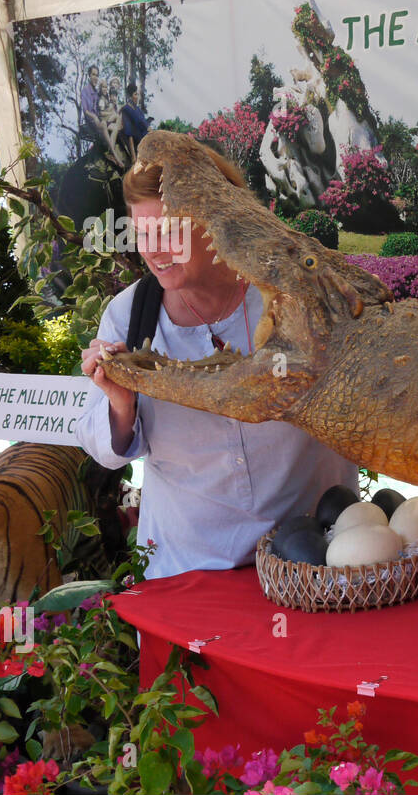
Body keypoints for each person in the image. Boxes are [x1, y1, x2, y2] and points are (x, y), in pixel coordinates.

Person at [75, 139, 358, 581]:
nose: (153, 250)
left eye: (168, 231)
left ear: (215, 220)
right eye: (142, 234)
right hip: (189, 569)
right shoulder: (130, 316)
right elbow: (103, 450)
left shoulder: (290, 291)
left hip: (311, 557)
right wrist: (120, 402)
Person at [120, 84, 150, 159]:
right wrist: (133, 156)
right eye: (135, 94)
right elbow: (129, 132)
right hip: (140, 141)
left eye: (137, 94)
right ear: (130, 97)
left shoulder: (138, 109)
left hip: (148, 136)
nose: (137, 97)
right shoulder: (126, 109)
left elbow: (146, 125)